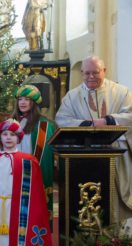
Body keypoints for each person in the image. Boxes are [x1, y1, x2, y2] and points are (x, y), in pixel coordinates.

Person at [56, 55, 132, 224]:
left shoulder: (121, 92)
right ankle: (85, 236)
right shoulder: (72, 96)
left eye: (96, 72)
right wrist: (86, 125)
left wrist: (108, 120)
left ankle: (115, 240)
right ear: (82, 73)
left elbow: (131, 116)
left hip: (115, 156)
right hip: (83, 158)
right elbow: (62, 119)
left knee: (113, 202)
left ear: (104, 71)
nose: (91, 77)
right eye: (87, 73)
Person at [12, 85, 56, 227]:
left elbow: (46, 155)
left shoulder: (45, 125)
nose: (23, 103)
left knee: (35, 215)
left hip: (33, 173)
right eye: (20, 99)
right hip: (14, 172)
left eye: (27, 99)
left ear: (34, 103)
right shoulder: (11, 122)